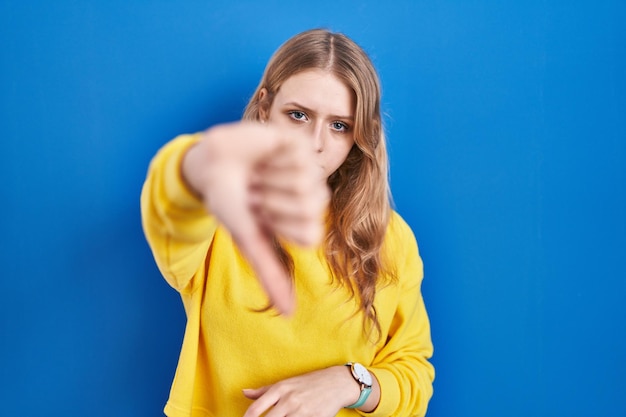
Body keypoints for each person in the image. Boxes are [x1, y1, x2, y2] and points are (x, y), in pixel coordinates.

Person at [141, 28, 434, 417]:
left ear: (360, 135)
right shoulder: (217, 214)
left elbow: (412, 370)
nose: (314, 142)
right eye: (298, 115)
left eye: (339, 125)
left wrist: (348, 382)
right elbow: (169, 202)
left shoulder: (389, 237)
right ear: (265, 107)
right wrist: (194, 165)